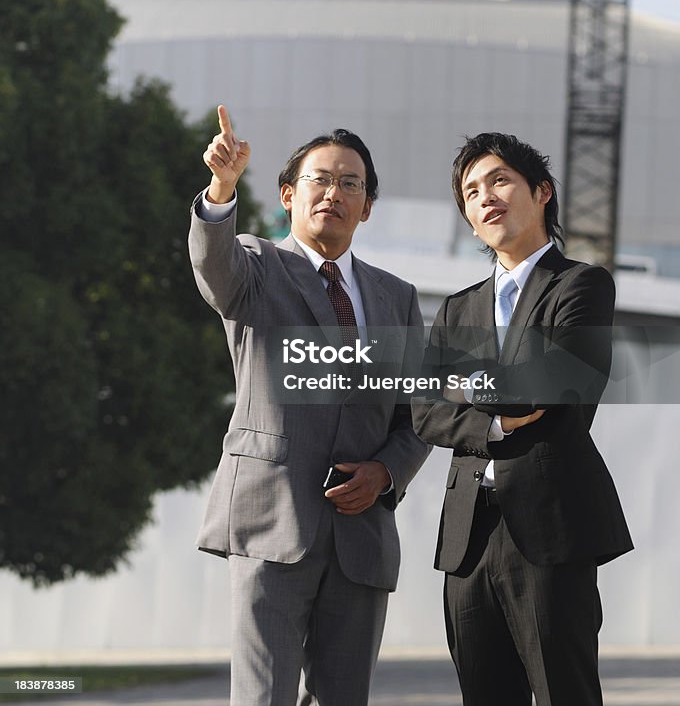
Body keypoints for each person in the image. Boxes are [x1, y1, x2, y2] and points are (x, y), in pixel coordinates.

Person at [189, 105, 428, 706]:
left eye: (351, 183)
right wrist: (221, 190)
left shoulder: (395, 297)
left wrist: (386, 473)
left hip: (361, 536)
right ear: (289, 195)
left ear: (367, 206)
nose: (334, 193)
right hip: (272, 524)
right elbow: (213, 267)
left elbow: (418, 414)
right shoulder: (256, 268)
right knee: (263, 696)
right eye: (320, 180)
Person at [412, 132, 633, 706]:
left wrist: (464, 384)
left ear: (541, 192)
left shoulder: (581, 285)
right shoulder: (457, 309)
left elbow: (557, 381)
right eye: (471, 191)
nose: (485, 196)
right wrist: (498, 422)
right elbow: (423, 411)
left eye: (499, 180)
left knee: (566, 692)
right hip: (468, 534)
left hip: (550, 525)